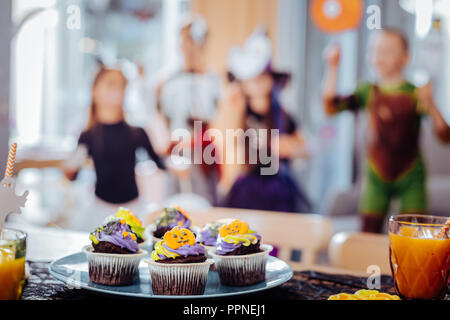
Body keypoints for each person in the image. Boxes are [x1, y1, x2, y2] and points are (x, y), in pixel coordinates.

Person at [322, 28, 450, 233]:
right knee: (368, 231)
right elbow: (330, 107)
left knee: (414, 233)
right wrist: (333, 67)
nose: (379, 56)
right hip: (376, 174)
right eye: (375, 50)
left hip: (411, 175)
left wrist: (431, 103)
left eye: (388, 51)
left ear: (405, 57)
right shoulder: (367, 91)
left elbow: (445, 135)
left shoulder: (415, 93)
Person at [215, 30, 311, 213]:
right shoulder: (238, 113)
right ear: (242, 83)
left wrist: (291, 147)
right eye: (252, 78)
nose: (257, 82)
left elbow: (305, 148)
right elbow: (228, 148)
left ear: (272, 80)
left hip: (278, 189)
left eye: (262, 77)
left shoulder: (283, 115)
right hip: (246, 187)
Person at [64, 65, 166, 230]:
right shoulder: (87, 136)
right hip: (98, 213)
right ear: (95, 91)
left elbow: (161, 165)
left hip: (134, 213)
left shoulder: (138, 133)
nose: (118, 90)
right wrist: (69, 167)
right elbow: (72, 176)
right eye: (111, 84)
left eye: (122, 85)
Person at [156, 14, 221, 204]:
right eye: (184, 39)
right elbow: (161, 116)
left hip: (200, 155)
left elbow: (209, 115)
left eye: (192, 39)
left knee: (202, 206)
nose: (187, 45)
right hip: (175, 153)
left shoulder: (210, 79)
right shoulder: (167, 80)